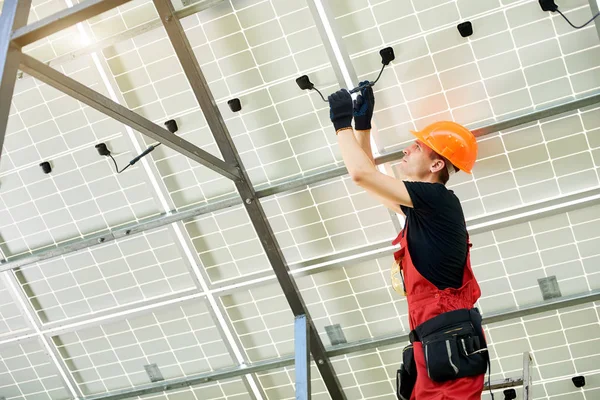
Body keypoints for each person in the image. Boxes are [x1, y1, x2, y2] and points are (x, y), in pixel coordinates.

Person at [328, 84, 488, 400]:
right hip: (434, 344)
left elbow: (360, 175)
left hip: (445, 345)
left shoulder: (437, 200)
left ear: (436, 164)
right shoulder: (426, 210)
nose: (406, 150)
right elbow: (369, 180)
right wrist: (362, 127)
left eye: (416, 146)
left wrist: (341, 123)